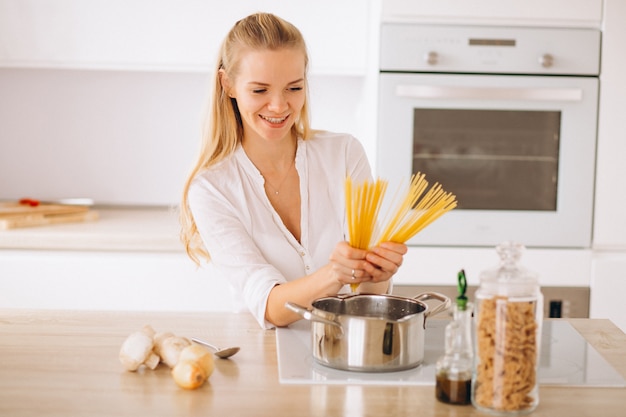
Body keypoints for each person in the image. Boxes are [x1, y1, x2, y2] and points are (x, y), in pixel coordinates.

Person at [180, 12, 407, 329]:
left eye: (293, 88)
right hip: (262, 358)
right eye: (260, 91)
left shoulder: (344, 154)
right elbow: (269, 305)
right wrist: (334, 274)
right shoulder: (211, 188)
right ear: (227, 84)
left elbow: (366, 295)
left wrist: (378, 275)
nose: (278, 106)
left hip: (345, 351)